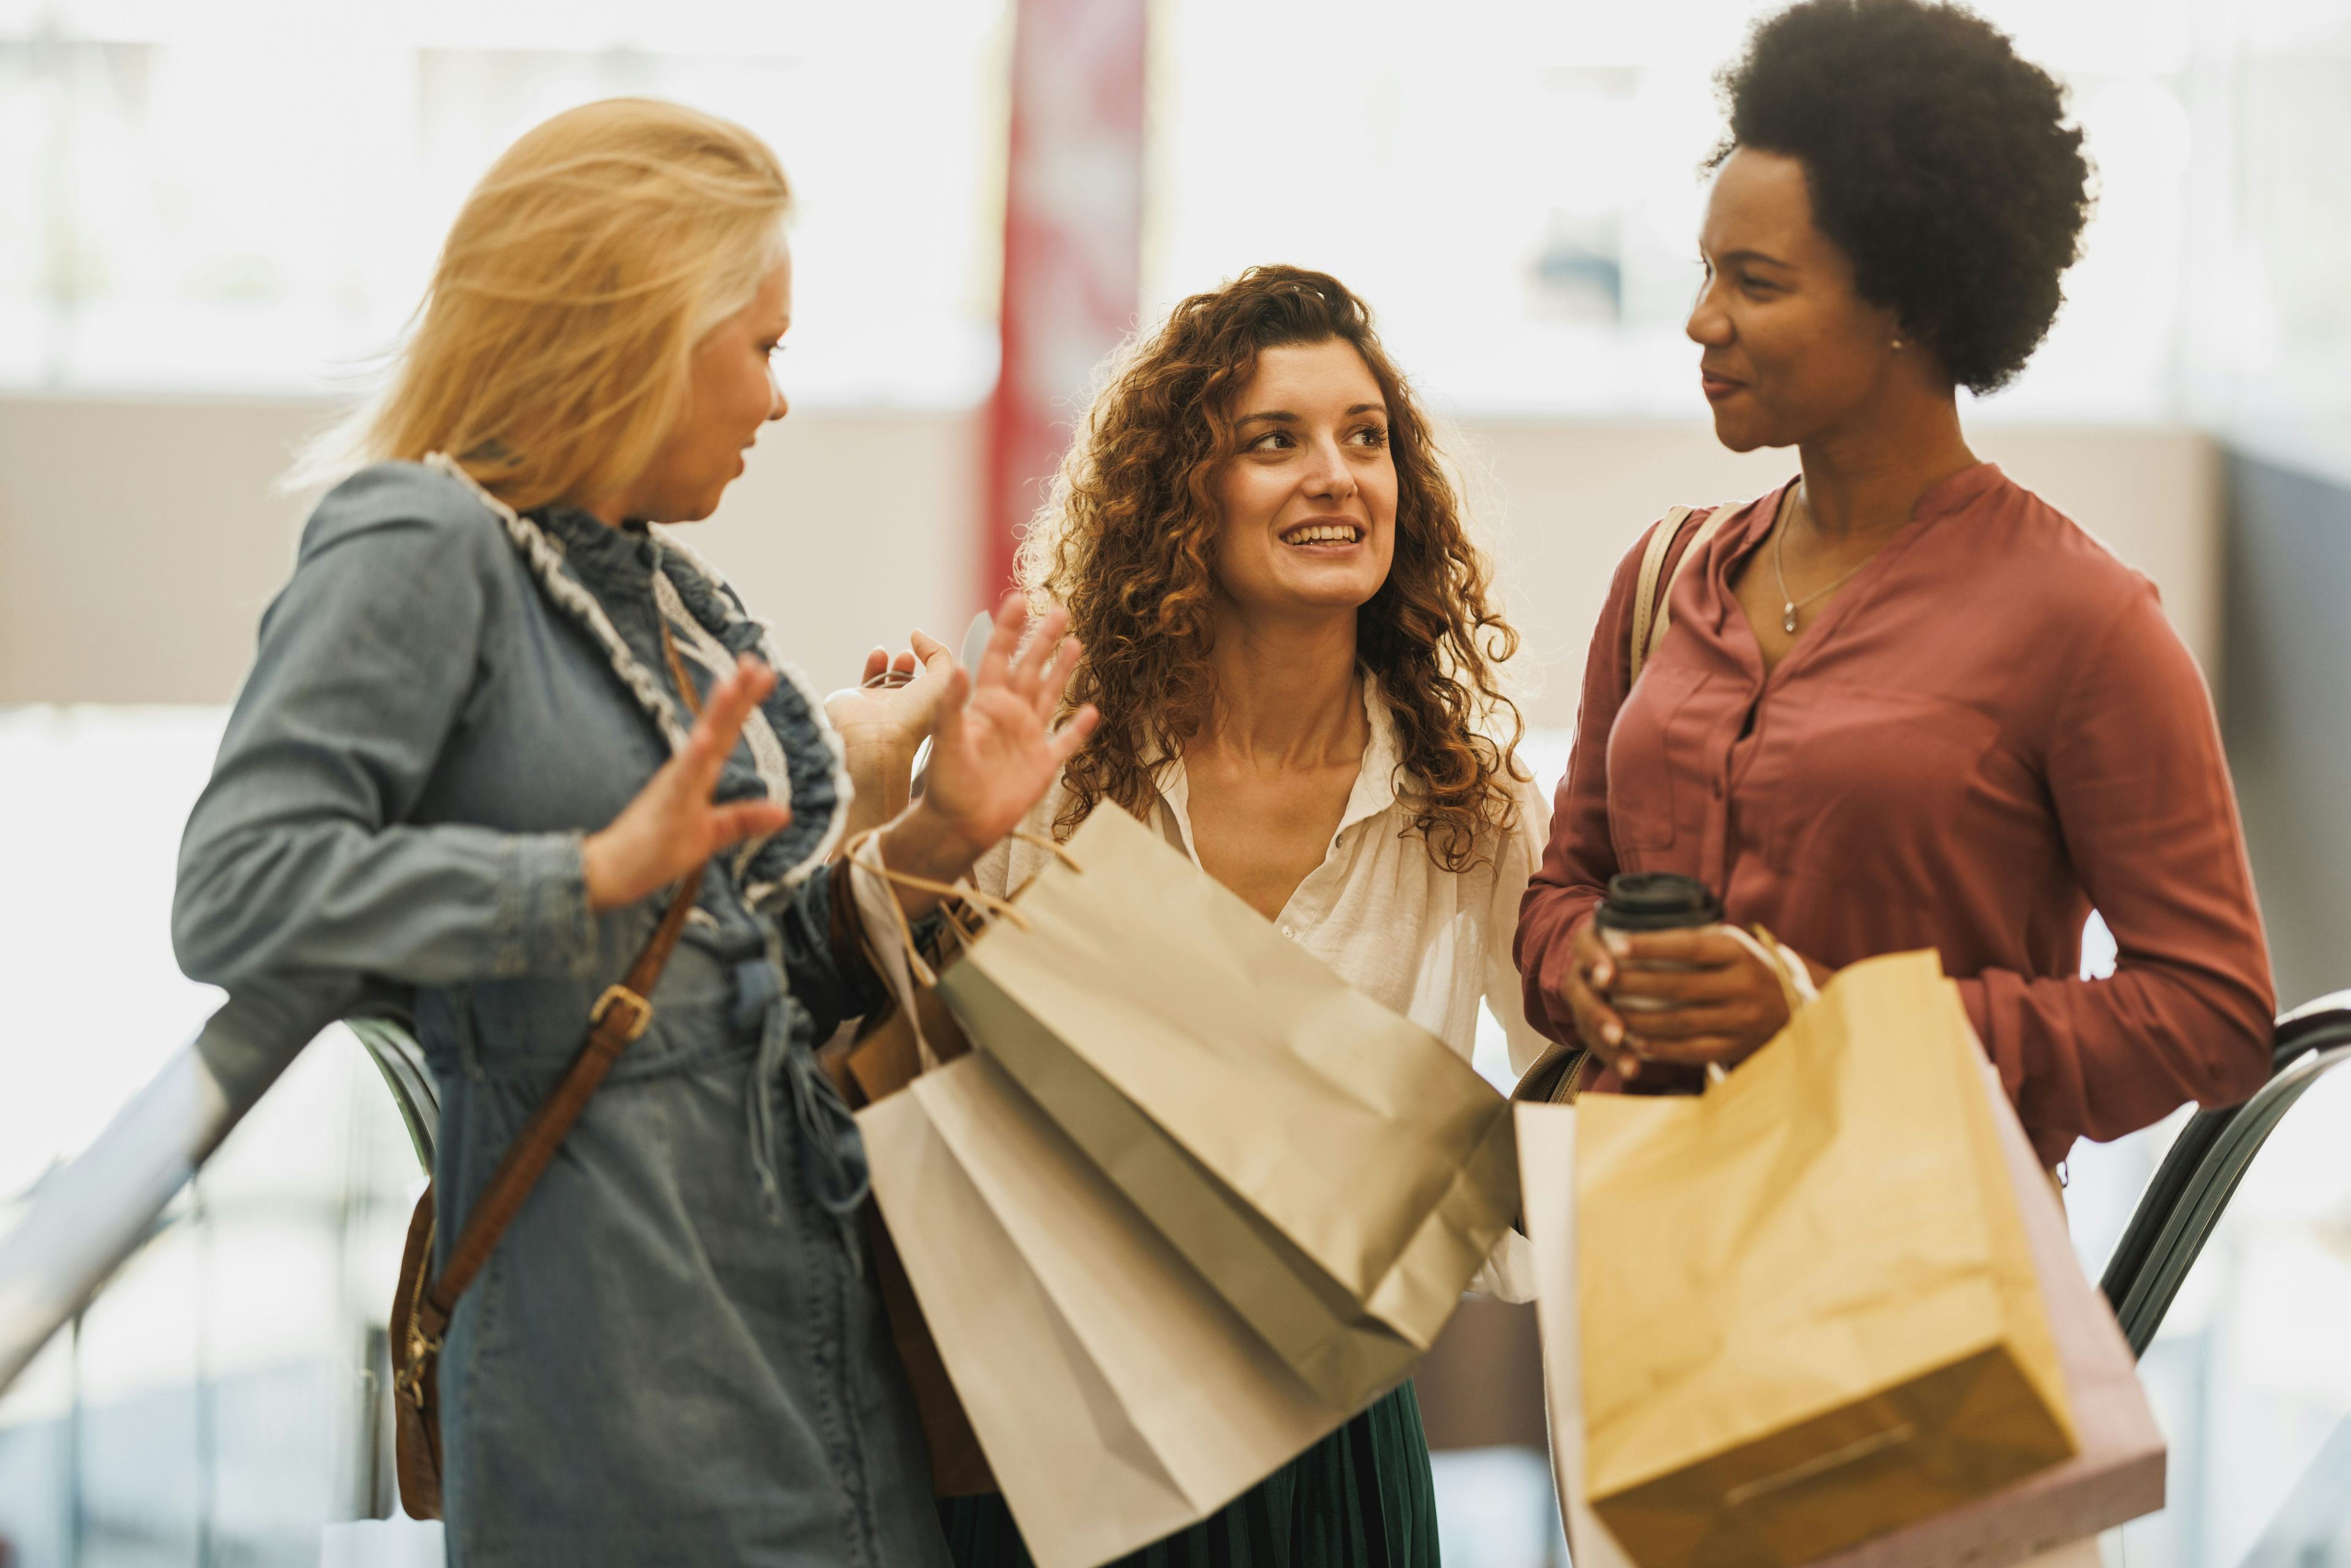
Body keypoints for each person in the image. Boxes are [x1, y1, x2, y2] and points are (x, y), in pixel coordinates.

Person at [172, 99, 1094, 1566]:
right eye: (766, 348)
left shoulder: (651, 590)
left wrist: (943, 831)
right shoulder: (420, 544)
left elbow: (735, 967)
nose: (779, 401)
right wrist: (589, 874)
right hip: (613, 1385)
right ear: (642, 327)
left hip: (803, 1343)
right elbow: (234, 893)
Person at [836, 264, 1546, 1566]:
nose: (1335, 475)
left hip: (1329, 1438)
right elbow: (889, 1037)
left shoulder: (1470, 807)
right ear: (1182, 499)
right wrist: (923, 828)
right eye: (1274, 441)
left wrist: (1415, 1226)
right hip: (1068, 1433)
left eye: (1365, 438)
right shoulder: (1058, 760)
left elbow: (1560, 1133)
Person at [1515, 0, 2274, 1165]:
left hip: (1910, 1279)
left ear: (1911, 306)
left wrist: (1831, 1020)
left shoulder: (2083, 623)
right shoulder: (1668, 576)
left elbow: (2211, 1019)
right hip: (1644, 1258)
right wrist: (1597, 968)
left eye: (1757, 284)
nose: (1700, 321)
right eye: (1707, 271)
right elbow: (1563, 897)